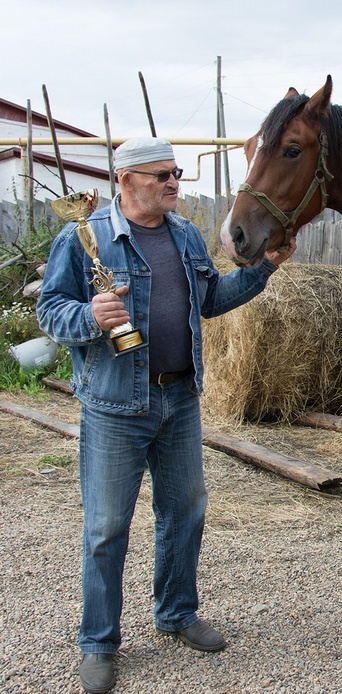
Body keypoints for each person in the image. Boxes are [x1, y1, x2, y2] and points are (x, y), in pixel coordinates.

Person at [36, 137, 296, 693]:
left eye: (175, 172)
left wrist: (263, 269)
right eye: (160, 175)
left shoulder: (183, 234)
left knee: (185, 514)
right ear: (125, 180)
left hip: (180, 401)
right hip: (114, 407)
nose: (174, 182)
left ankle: (176, 614)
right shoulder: (83, 238)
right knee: (107, 528)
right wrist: (88, 314)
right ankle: (99, 642)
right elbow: (49, 310)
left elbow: (209, 300)